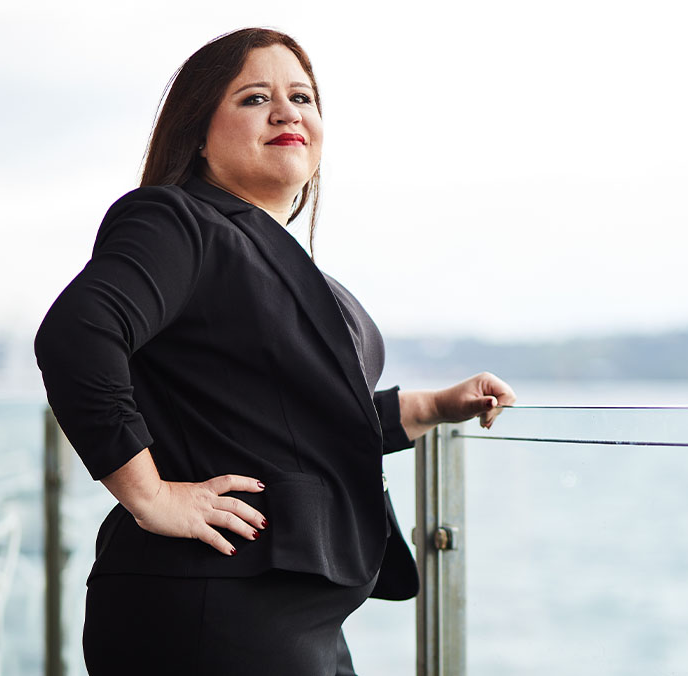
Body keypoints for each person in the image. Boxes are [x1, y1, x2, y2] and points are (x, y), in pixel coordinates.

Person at [34, 27, 515, 676]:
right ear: (198, 133)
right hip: (208, 604)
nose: (288, 111)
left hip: (298, 612)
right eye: (256, 97)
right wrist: (149, 493)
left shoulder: (304, 277)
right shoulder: (178, 222)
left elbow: (286, 427)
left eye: (303, 97)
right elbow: (78, 335)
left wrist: (427, 405)